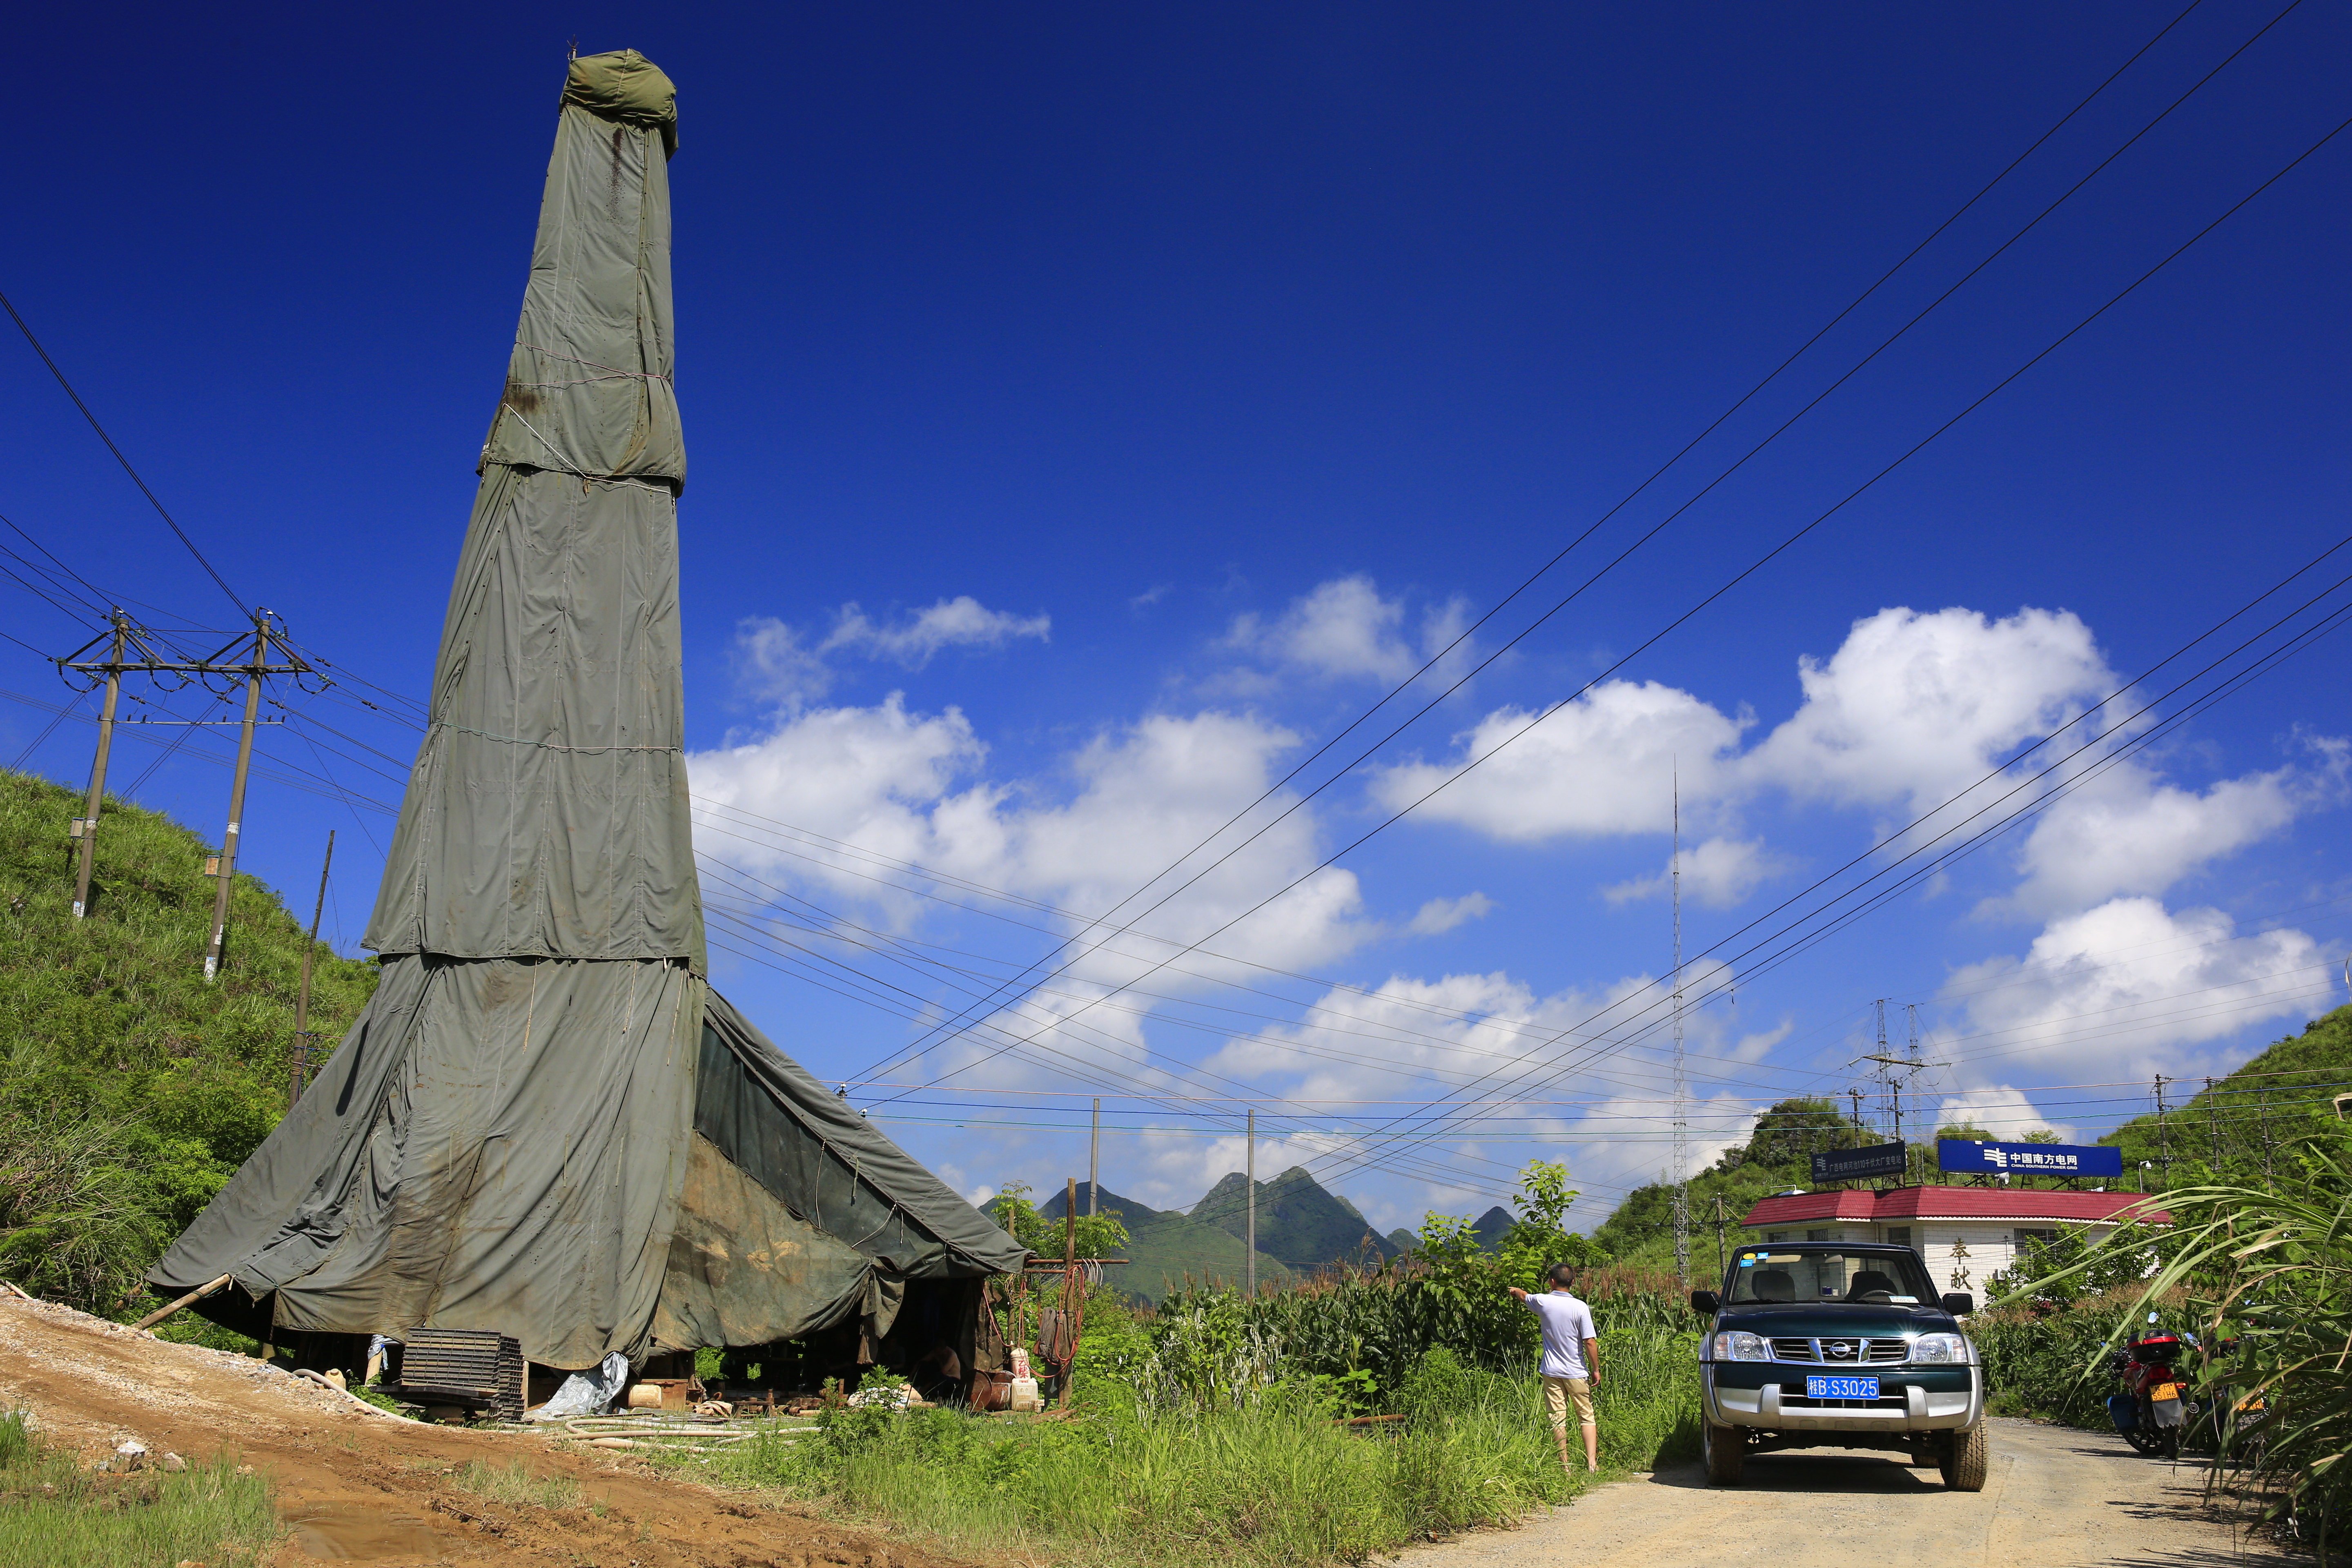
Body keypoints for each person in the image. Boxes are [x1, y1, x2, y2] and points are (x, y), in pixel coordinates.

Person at [1508, 1262, 1599, 1473]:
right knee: (1586, 1416)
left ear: (1551, 1282)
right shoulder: (1580, 1307)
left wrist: (1514, 1291)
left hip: (1551, 1371)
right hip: (1576, 1371)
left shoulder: (1543, 1302)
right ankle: (1592, 1465)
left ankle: (1564, 1467)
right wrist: (1596, 1369)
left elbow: (1524, 1296)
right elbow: (1590, 1342)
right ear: (1573, 1282)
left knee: (1558, 1417)